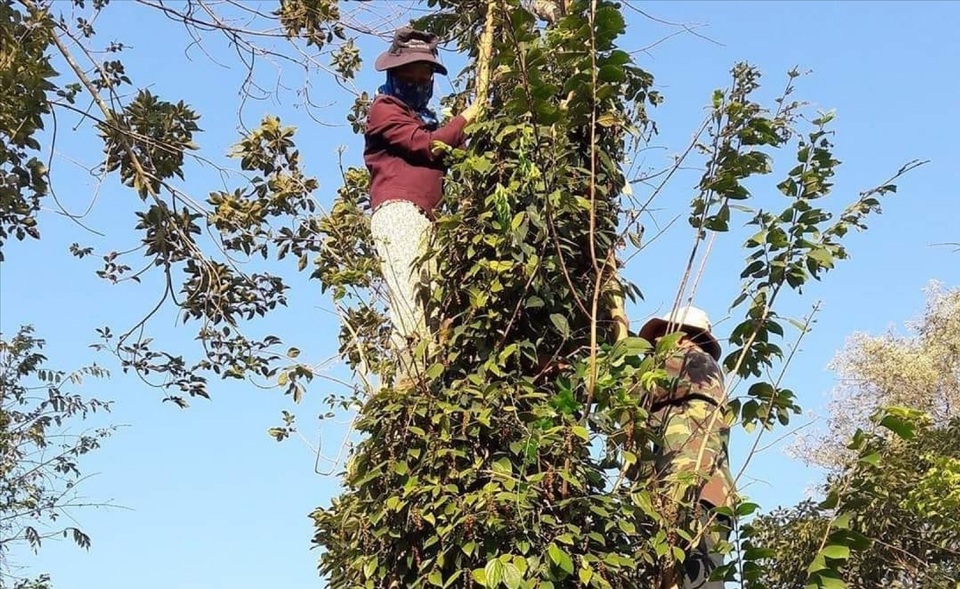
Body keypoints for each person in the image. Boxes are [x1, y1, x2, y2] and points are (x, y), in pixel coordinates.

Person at [365, 27, 481, 385]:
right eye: (409, 76)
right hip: (400, 213)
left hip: (426, 220)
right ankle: (410, 384)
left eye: (423, 76)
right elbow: (428, 146)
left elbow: (451, 151)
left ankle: (426, 377)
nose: (417, 82)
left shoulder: (422, 118)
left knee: (431, 306)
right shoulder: (384, 110)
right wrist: (466, 118)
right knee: (411, 309)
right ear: (392, 76)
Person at [637, 305, 736, 589]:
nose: (655, 345)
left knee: (697, 581)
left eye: (660, 338)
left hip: (694, 495)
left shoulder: (695, 362)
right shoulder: (675, 386)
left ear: (681, 337)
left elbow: (629, 384)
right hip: (674, 496)